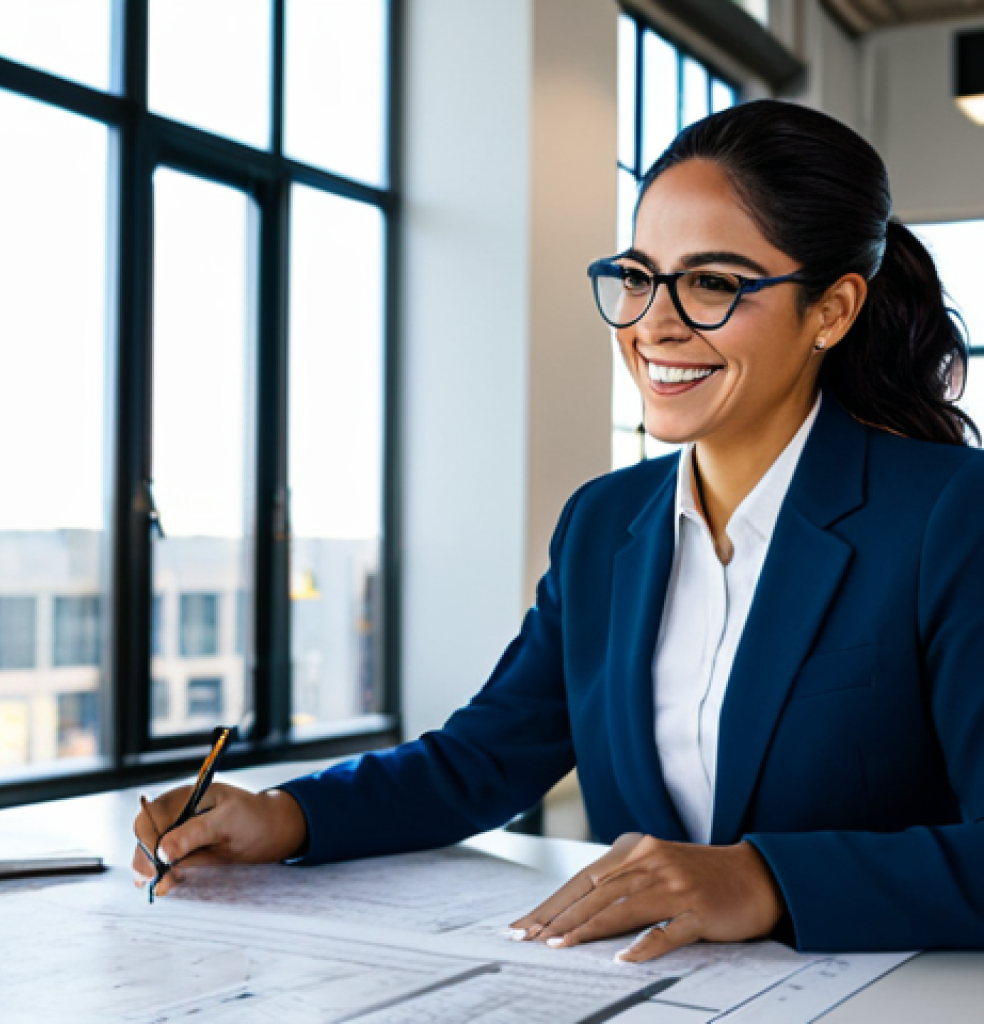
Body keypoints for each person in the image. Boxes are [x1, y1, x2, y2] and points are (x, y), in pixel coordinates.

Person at [133, 100, 984, 960]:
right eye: (640, 276)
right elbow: (482, 759)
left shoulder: (948, 512)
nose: (655, 321)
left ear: (831, 311)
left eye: (714, 282)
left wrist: (763, 879)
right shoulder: (603, 526)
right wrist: (285, 815)